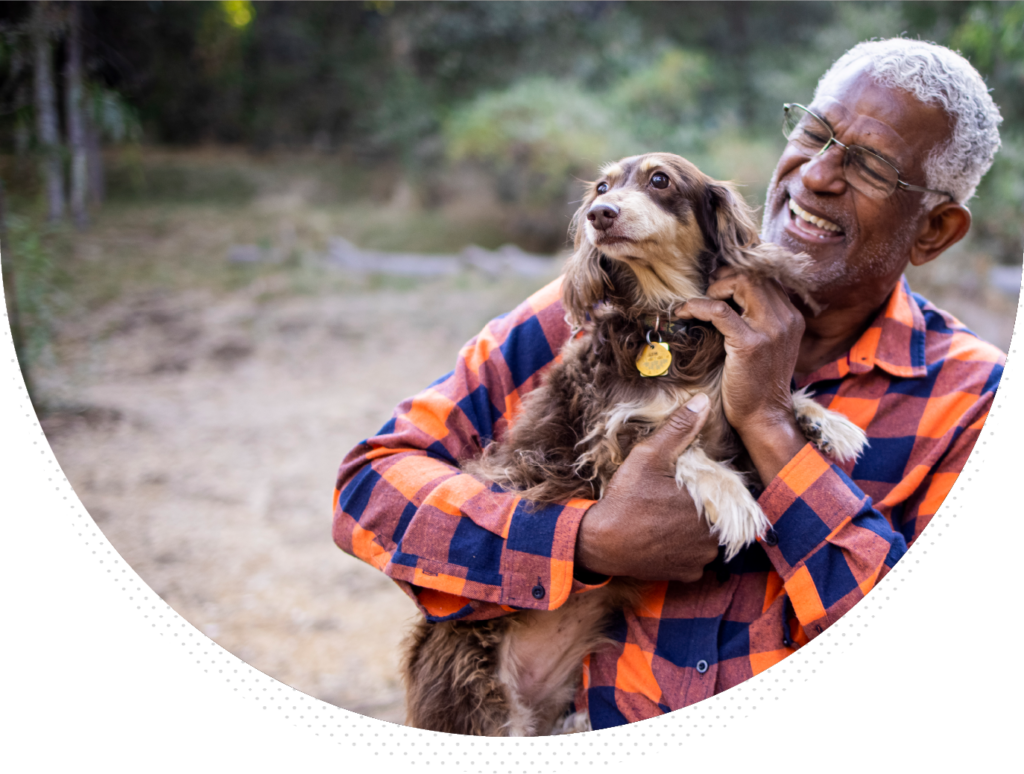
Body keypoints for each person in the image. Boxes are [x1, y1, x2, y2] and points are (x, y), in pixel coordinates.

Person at [332, 38, 1006, 731]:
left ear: (935, 231)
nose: (818, 175)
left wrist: (772, 428)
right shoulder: (585, 317)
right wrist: (584, 541)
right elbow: (370, 490)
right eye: (814, 133)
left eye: (868, 165)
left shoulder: (970, 401)